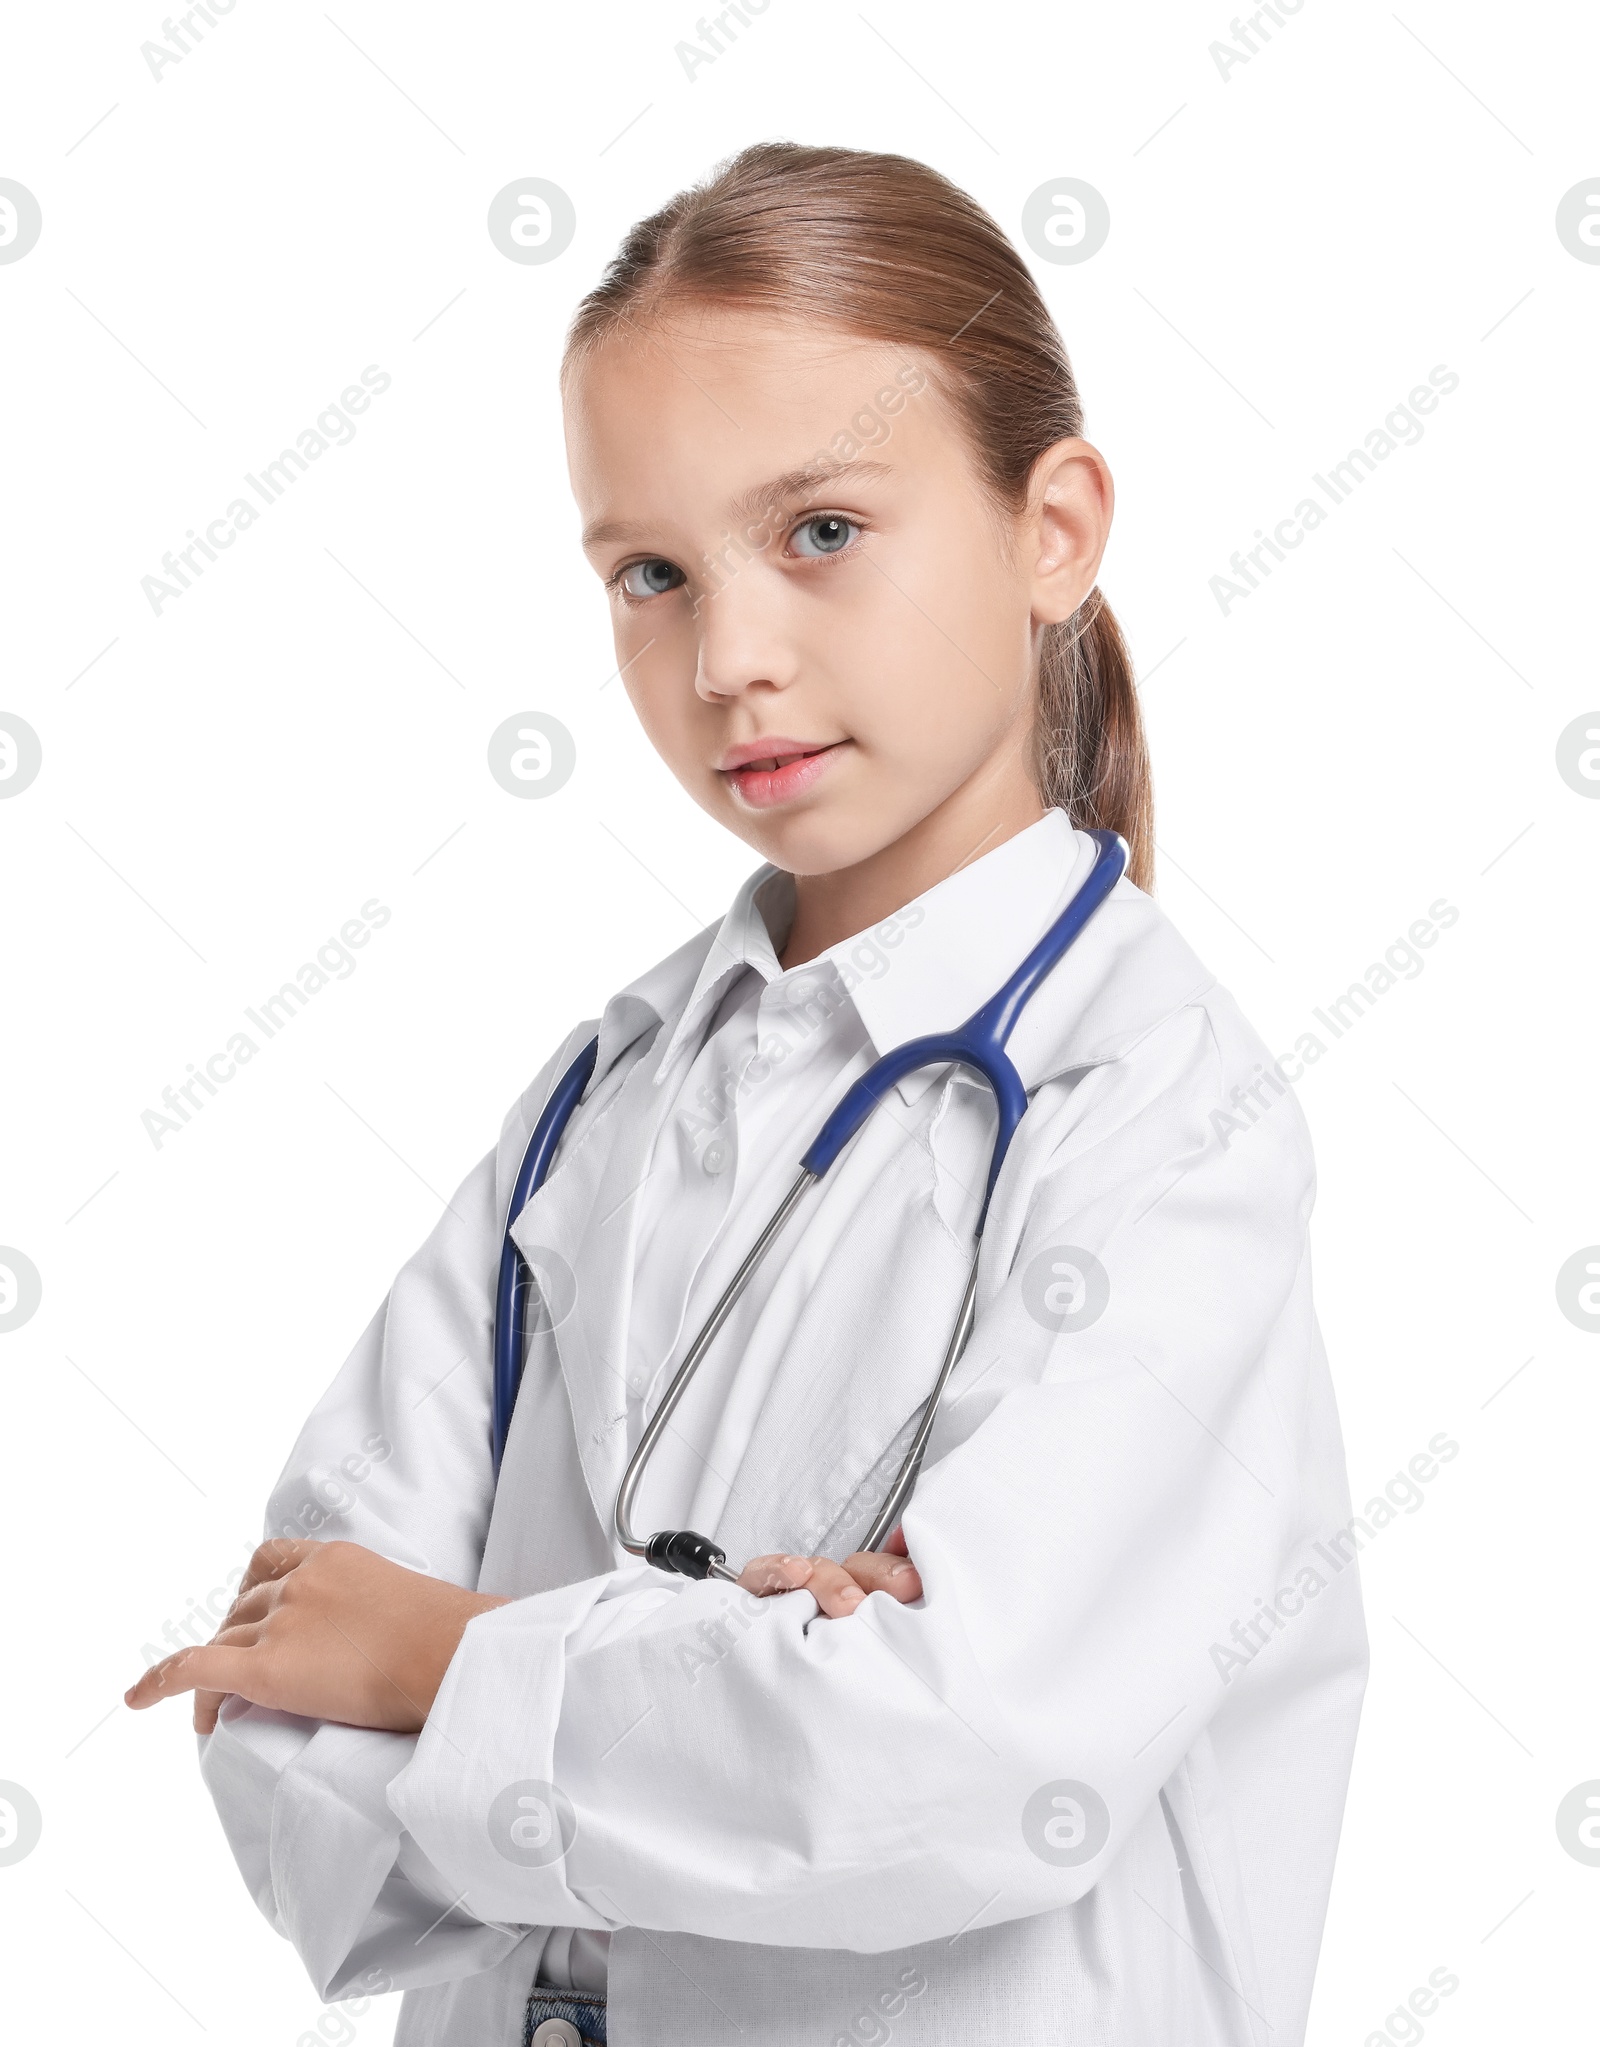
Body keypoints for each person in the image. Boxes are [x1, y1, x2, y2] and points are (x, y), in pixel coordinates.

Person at [125, 142, 1367, 2047]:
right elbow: (277, 1702)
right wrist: (745, 1675)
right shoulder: (604, 1098)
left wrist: (450, 1660)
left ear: (1055, 527)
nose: (728, 661)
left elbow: (969, 1764)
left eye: (822, 533)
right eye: (649, 573)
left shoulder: (1154, 1113)